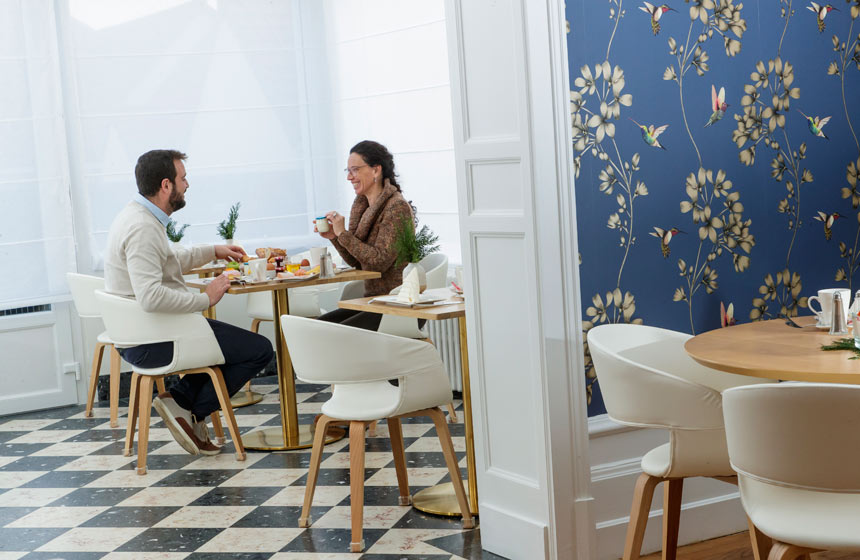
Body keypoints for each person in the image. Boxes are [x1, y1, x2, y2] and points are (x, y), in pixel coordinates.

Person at [104, 149, 274, 456]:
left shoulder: (139, 217)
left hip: (147, 332)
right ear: (166, 185)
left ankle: (181, 405)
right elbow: (151, 296)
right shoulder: (143, 227)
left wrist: (214, 251)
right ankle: (185, 406)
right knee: (259, 350)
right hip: (154, 339)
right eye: (183, 178)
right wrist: (205, 298)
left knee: (228, 347)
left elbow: (169, 260)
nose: (187, 185)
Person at [315, 140, 414, 331]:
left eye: (354, 170)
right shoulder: (363, 207)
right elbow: (357, 261)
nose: (349, 178)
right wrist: (334, 236)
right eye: (348, 171)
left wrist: (343, 233)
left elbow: (378, 261)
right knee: (313, 329)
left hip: (395, 305)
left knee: (325, 334)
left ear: (376, 170)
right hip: (373, 301)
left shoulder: (396, 207)